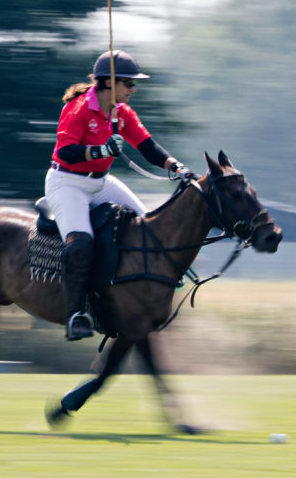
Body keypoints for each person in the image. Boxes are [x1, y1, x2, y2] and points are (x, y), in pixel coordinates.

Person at [45, 50, 193, 340]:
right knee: (80, 245)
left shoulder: (122, 113)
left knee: (148, 228)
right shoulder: (78, 109)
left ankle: (140, 293)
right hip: (67, 183)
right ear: (109, 83)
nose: (133, 90)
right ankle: (75, 314)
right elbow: (66, 151)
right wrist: (100, 151)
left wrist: (177, 167)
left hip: (100, 182)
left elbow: (148, 147)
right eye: (129, 84)